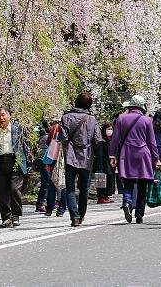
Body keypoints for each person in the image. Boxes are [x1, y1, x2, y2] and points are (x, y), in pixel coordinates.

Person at [110, 95, 159, 224]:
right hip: (143, 153)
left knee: (128, 182)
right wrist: (156, 158)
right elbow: (151, 141)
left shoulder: (121, 118)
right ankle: (139, 214)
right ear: (142, 107)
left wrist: (112, 155)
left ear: (130, 106)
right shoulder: (147, 120)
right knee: (143, 185)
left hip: (127, 153)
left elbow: (115, 139)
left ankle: (127, 202)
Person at [60, 91, 103, 227]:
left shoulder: (66, 118)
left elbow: (63, 138)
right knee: (84, 189)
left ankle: (74, 217)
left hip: (70, 156)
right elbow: (98, 139)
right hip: (87, 157)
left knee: (70, 188)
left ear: (76, 102)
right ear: (89, 105)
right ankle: (81, 214)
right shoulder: (92, 120)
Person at [0, 107, 28, 228]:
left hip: (15, 161)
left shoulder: (18, 130)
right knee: (2, 192)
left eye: (3, 115)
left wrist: (27, 164)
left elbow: (26, 146)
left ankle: (16, 215)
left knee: (14, 189)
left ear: (9, 116)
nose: (1, 118)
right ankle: (6, 218)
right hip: (0, 162)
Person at [43, 121, 66, 217]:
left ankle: (49, 209)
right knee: (64, 184)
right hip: (66, 158)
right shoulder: (70, 126)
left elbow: (49, 141)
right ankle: (61, 209)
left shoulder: (55, 127)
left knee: (52, 184)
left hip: (54, 158)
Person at [94, 123, 117, 204]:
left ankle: (106, 196)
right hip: (103, 164)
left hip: (110, 164)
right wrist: (100, 167)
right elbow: (100, 155)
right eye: (108, 129)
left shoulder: (111, 141)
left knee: (109, 180)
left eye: (111, 129)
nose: (110, 131)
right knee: (102, 180)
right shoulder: (101, 142)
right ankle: (101, 197)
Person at [35, 123, 49, 212]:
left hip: (42, 160)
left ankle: (43, 203)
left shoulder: (41, 137)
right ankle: (41, 203)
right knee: (46, 183)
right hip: (45, 160)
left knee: (45, 182)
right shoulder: (47, 137)